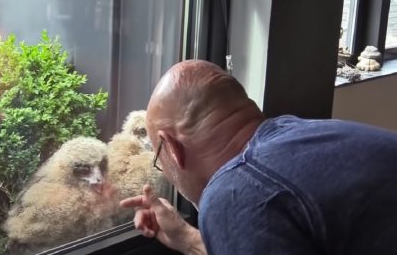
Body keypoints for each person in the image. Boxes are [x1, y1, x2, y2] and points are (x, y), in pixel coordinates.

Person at [120, 59, 397, 255]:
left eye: (158, 159)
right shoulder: (301, 135)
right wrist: (184, 237)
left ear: (171, 149)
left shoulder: (234, 191)